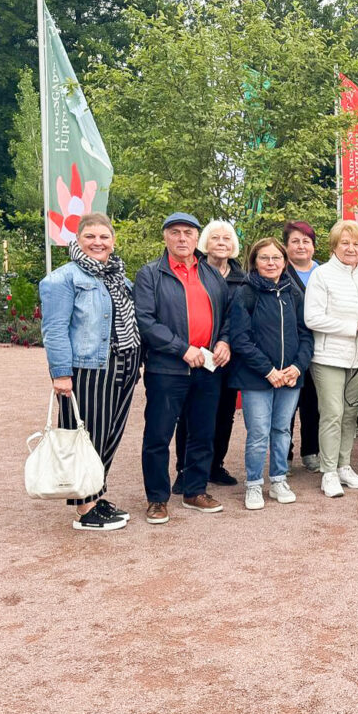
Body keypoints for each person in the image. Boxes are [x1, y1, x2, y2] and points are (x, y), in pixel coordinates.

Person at [38, 212, 141, 531]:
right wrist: (60, 373)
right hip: (89, 368)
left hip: (124, 364)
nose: (98, 242)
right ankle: (85, 507)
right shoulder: (63, 279)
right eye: (90, 237)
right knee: (86, 436)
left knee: (110, 434)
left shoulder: (119, 277)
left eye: (104, 237)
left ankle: (95, 493)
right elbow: (54, 329)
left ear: (113, 241)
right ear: (78, 240)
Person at [134, 212, 233, 525]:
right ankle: (157, 498)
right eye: (175, 232)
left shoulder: (211, 274)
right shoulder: (150, 274)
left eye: (188, 233)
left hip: (207, 367)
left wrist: (225, 341)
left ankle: (194, 491)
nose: (181, 238)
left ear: (196, 238)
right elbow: (146, 321)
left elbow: (228, 315)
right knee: (158, 435)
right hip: (167, 369)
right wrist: (182, 349)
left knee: (203, 433)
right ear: (165, 236)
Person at [228, 238, 313, 510]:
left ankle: (278, 480)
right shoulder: (246, 292)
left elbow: (306, 335)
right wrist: (268, 370)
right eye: (264, 258)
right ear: (254, 261)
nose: (271, 263)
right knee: (258, 433)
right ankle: (254, 484)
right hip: (256, 378)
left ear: (285, 261)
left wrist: (298, 367)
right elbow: (240, 339)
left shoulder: (293, 293)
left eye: (276, 258)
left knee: (282, 430)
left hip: (290, 376)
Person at [304, 220, 358, 498]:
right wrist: (353, 326)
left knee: (351, 415)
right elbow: (312, 318)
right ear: (334, 246)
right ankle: (328, 471)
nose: (351, 248)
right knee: (332, 413)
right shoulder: (322, 275)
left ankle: (344, 465)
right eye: (345, 243)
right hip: (329, 357)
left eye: (356, 244)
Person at [172, 219, 244, 491]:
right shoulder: (194, 272)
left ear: (233, 245)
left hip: (229, 357)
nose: (221, 243)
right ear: (205, 243)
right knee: (190, 415)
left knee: (224, 413)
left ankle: (215, 465)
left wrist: (227, 342)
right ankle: (184, 469)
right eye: (215, 238)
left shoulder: (242, 279)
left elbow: (240, 317)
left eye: (227, 239)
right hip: (197, 355)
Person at [284, 221, 321, 471]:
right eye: (295, 241)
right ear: (286, 246)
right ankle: (284, 455)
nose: (301, 246)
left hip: (319, 348)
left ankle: (311, 451)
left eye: (306, 241)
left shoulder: (323, 272)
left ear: (313, 246)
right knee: (286, 407)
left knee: (313, 404)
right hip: (288, 349)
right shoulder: (279, 271)